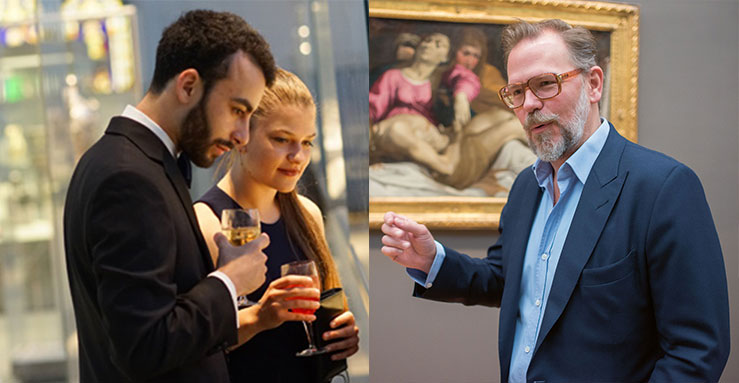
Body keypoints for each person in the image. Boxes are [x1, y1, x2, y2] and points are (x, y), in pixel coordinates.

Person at [380, 19, 730, 382]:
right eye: (516, 92)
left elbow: (696, 352)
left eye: (545, 84)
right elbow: (505, 279)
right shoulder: (524, 187)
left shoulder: (663, 188)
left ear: (593, 84)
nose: (529, 104)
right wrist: (432, 260)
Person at [63, 10, 278, 382]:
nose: (243, 135)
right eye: (237, 110)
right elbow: (143, 346)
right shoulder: (128, 177)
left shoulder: (134, 161)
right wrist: (229, 282)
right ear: (188, 86)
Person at [194, 68, 359, 382]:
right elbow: (195, 345)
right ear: (240, 136)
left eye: (307, 142)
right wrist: (259, 318)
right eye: (282, 140)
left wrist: (340, 332)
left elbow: (317, 311)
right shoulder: (206, 222)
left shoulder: (307, 213)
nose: (297, 156)